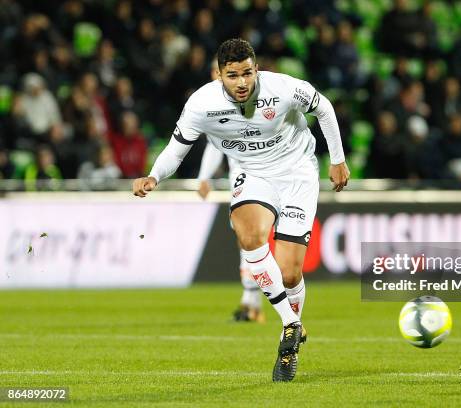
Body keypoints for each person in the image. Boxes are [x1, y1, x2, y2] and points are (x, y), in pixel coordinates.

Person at [132, 38, 350, 382]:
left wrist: (337, 159)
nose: (242, 82)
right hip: (253, 174)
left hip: (297, 173)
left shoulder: (284, 88)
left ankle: (289, 333)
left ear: (256, 69)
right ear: (220, 75)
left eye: (248, 73)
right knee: (249, 235)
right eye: (233, 75)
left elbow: (323, 107)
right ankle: (291, 324)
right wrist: (154, 176)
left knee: (290, 272)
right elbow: (177, 149)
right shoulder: (201, 104)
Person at [197, 57, 264, 323]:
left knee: (251, 239)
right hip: (241, 175)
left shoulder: (254, 98)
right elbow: (215, 144)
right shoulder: (213, 104)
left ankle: (256, 300)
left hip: (264, 173)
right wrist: (204, 177)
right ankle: (251, 300)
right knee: (246, 239)